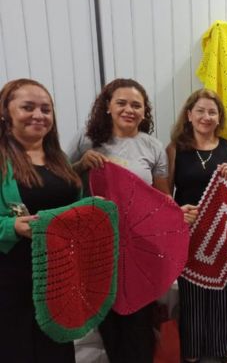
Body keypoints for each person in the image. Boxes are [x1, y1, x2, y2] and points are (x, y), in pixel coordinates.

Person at [67, 78, 169, 363]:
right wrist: (79, 165)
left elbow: (162, 198)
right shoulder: (86, 141)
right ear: (108, 107)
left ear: (144, 112)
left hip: (139, 245)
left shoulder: (153, 147)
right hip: (97, 244)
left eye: (136, 105)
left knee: (139, 311)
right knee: (107, 310)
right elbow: (61, 182)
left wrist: (177, 214)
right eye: (121, 103)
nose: (129, 110)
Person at [0, 78, 82, 362]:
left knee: (57, 349)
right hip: (12, 280)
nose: (39, 115)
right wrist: (11, 226)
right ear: (5, 113)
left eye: (46, 109)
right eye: (28, 107)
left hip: (57, 277)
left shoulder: (59, 159)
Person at [167, 88, 227, 363]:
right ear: (189, 115)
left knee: (223, 289)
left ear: (219, 117)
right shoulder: (175, 149)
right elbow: (165, 196)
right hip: (188, 232)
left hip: (223, 232)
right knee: (191, 293)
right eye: (200, 110)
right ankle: (191, 351)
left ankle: (225, 348)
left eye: (212, 112)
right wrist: (178, 212)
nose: (206, 116)